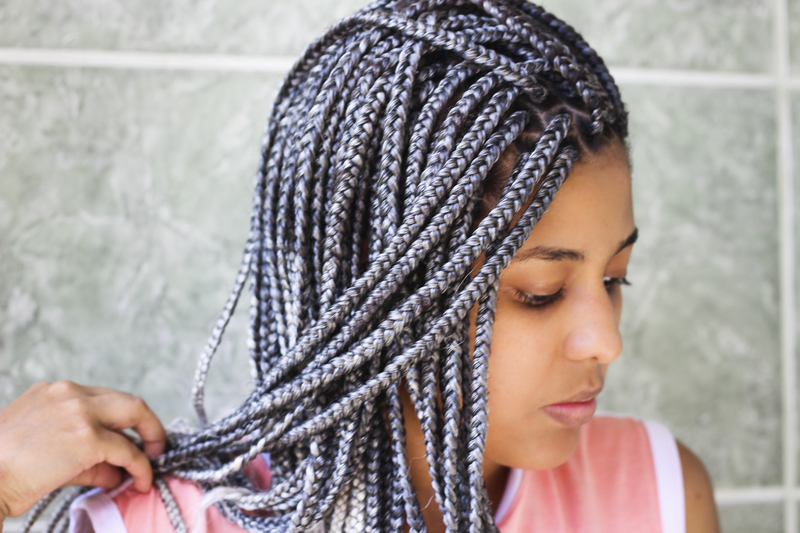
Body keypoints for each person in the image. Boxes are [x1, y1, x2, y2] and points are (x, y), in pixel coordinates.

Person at [1, 0, 720, 531]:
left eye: (613, 278)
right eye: (539, 291)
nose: (606, 339)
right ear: (374, 295)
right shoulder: (165, 520)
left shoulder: (658, 493)